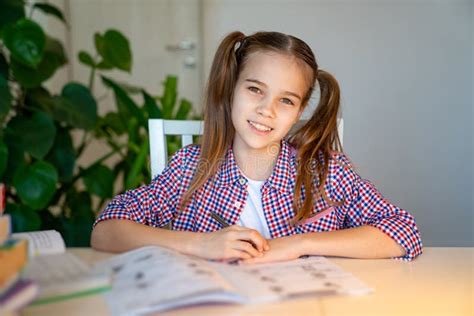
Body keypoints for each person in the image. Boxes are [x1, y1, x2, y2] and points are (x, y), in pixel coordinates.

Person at [91, 31, 423, 263]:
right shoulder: (191, 167)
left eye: (286, 100)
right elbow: (106, 231)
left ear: (299, 110)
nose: (268, 110)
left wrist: (296, 245)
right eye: (255, 89)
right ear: (231, 87)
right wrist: (200, 244)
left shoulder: (325, 170)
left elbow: (403, 232)